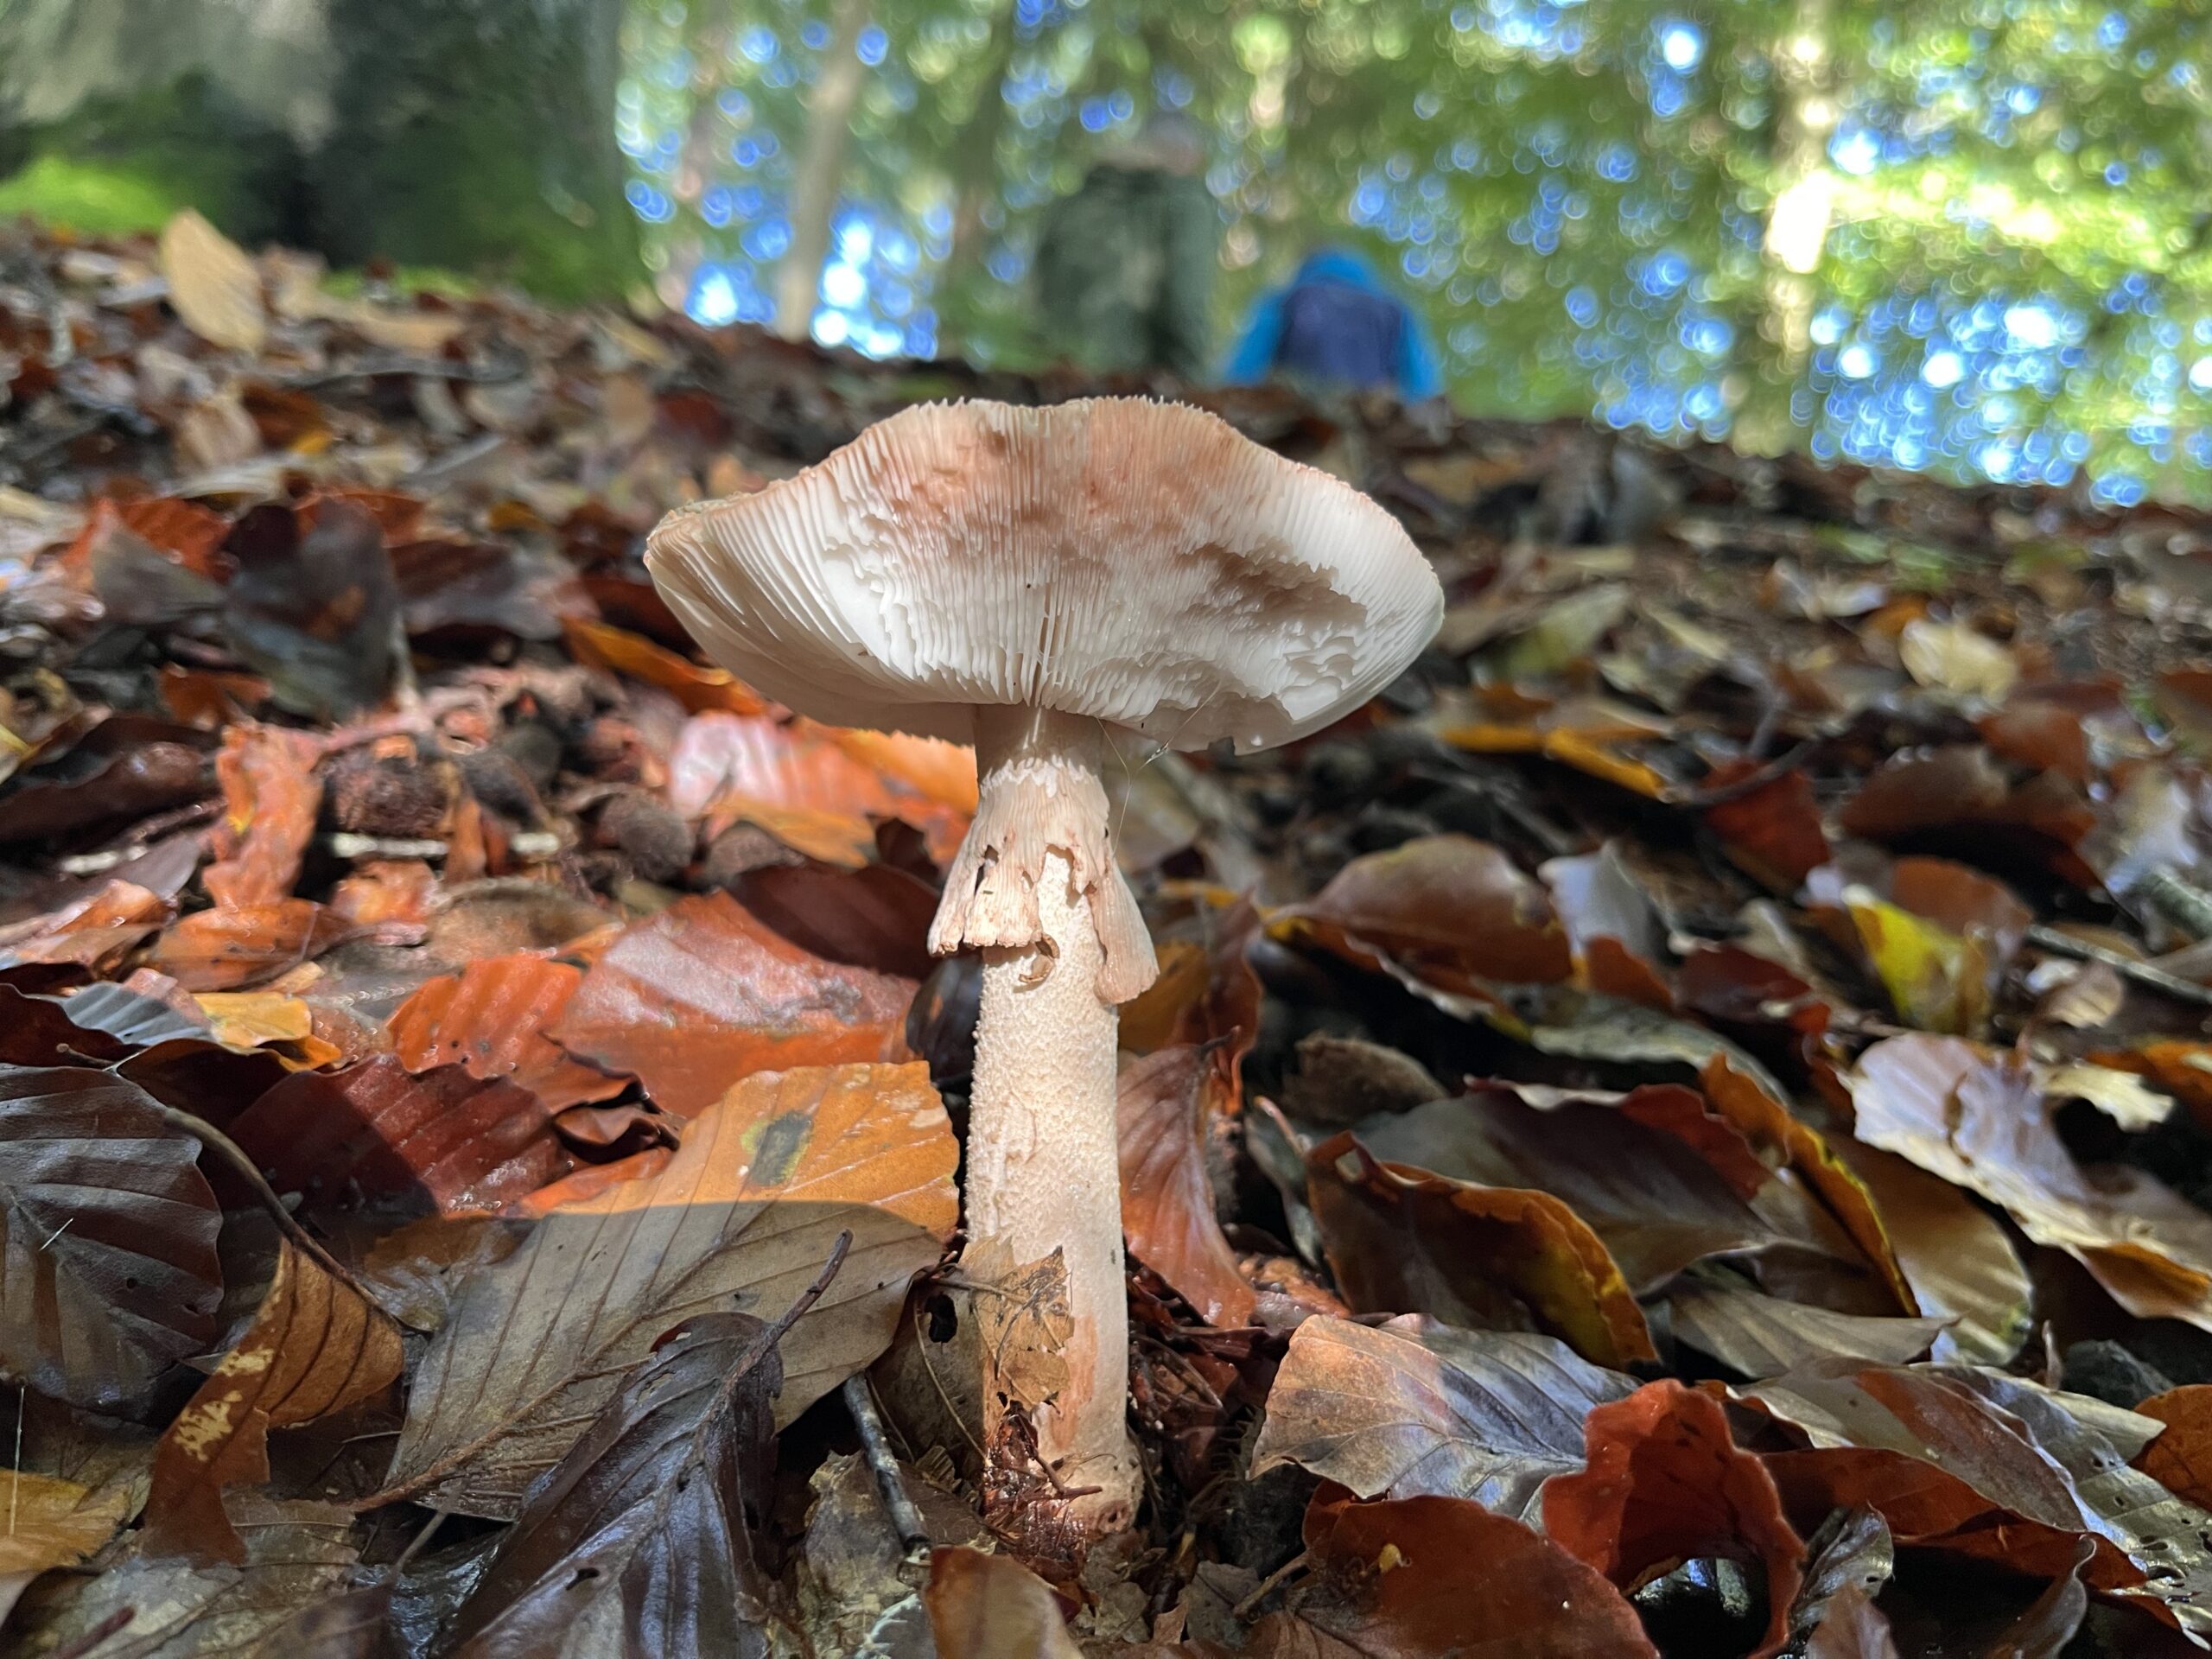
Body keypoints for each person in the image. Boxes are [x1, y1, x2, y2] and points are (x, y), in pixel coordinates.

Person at [1033, 112, 1217, 381]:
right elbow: (1184, 305)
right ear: (1185, 154)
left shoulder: (1071, 204)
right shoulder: (1185, 201)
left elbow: (1036, 295)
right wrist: (1194, 390)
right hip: (1129, 385)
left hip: (1047, 382)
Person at [1224, 245, 1446, 404]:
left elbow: (1242, 373)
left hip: (1297, 429)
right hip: (1372, 430)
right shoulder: (1395, 311)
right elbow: (1422, 389)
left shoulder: (1286, 299)